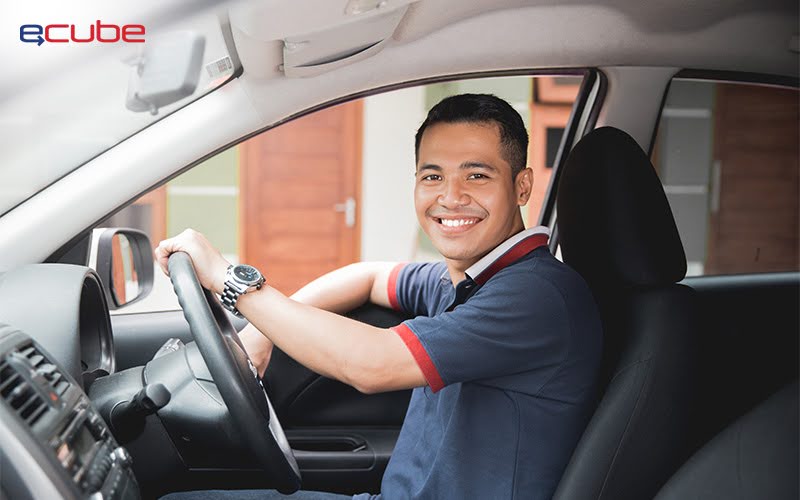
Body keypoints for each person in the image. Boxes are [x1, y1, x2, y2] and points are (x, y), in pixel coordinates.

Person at [156, 94, 602, 500]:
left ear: (521, 187)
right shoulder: (469, 276)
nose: (450, 196)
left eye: (477, 175)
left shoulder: (536, 295)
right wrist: (258, 337)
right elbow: (368, 277)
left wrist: (228, 280)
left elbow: (371, 365)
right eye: (433, 176)